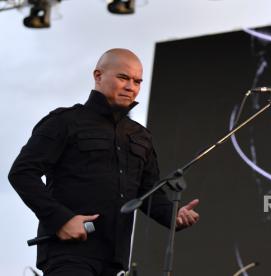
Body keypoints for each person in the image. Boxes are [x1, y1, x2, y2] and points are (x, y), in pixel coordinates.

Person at [8, 48, 200, 276]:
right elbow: (22, 173)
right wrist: (61, 220)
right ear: (98, 76)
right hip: (68, 255)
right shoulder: (64, 121)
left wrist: (173, 215)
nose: (131, 87)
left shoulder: (141, 136)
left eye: (137, 81)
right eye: (123, 78)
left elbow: (149, 192)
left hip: (115, 260)